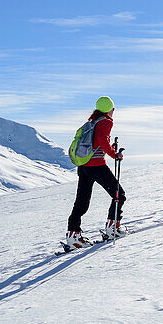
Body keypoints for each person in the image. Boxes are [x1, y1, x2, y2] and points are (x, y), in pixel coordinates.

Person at [66, 96, 126, 248]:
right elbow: (102, 139)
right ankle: (113, 229)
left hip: (84, 166)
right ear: (109, 109)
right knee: (119, 194)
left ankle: (74, 236)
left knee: (81, 202)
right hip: (97, 165)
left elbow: (97, 140)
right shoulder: (106, 121)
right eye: (113, 109)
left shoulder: (93, 121)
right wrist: (115, 154)